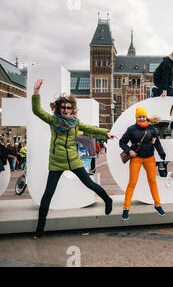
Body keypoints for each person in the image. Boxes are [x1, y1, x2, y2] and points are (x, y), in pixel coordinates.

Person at [32, 79, 117, 238]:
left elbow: (90, 128)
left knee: (90, 184)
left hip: (73, 160)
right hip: (56, 161)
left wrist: (106, 133)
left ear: (72, 109)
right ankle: (40, 229)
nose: (65, 110)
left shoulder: (75, 123)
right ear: (59, 108)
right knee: (48, 194)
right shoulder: (53, 121)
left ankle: (107, 200)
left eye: (68, 108)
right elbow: (37, 111)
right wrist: (36, 92)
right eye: (63, 107)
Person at [119, 107, 167, 220]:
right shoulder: (131, 129)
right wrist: (129, 151)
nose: (141, 118)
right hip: (136, 159)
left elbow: (157, 143)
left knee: (153, 182)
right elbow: (122, 142)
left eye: (143, 116)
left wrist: (162, 153)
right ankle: (126, 208)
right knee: (132, 183)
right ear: (136, 117)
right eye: (139, 116)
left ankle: (157, 205)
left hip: (150, 158)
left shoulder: (151, 129)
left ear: (146, 117)